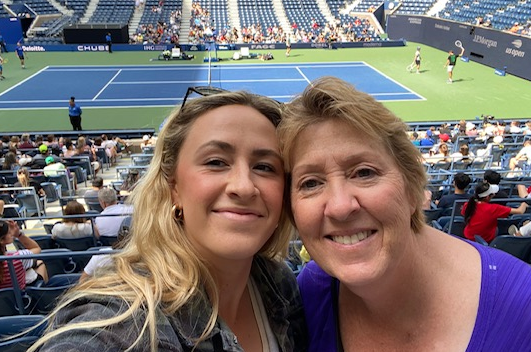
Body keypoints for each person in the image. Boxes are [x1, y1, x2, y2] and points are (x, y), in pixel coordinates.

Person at [30, 90, 307, 352]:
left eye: (265, 167)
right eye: (216, 162)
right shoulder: (121, 321)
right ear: (173, 186)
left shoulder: (279, 284)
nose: (244, 187)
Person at [277, 76, 531, 352]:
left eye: (364, 173)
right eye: (311, 183)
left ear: (412, 187)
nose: (340, 206)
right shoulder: (309, 293)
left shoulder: (522, 307)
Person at [462, 181, 527, 243]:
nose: (494, 194)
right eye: (492, 194)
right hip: (486, 240)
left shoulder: (467, 205)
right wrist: (526, 198)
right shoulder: (494, 208)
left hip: (468, 238)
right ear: (487, 197)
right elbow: (520, 211)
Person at [0, 219, 48, 290]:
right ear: (2, 240)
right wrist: (18, 234)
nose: (12, 234)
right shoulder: (18, 257)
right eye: (9, 232)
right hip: (21, 296)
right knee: (40, 263)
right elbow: (36, 248)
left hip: (4, 298)